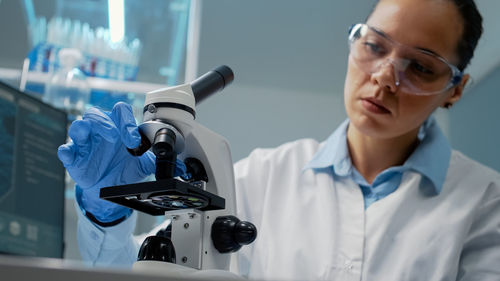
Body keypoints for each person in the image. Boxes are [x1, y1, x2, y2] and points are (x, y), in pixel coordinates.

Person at [58, 0, 500, 279]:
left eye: (420, 67)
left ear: (455, 90)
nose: (385, 78)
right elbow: (128, 270)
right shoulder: (261, 178)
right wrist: (107, 216)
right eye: (375, 46)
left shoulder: (485, 206)